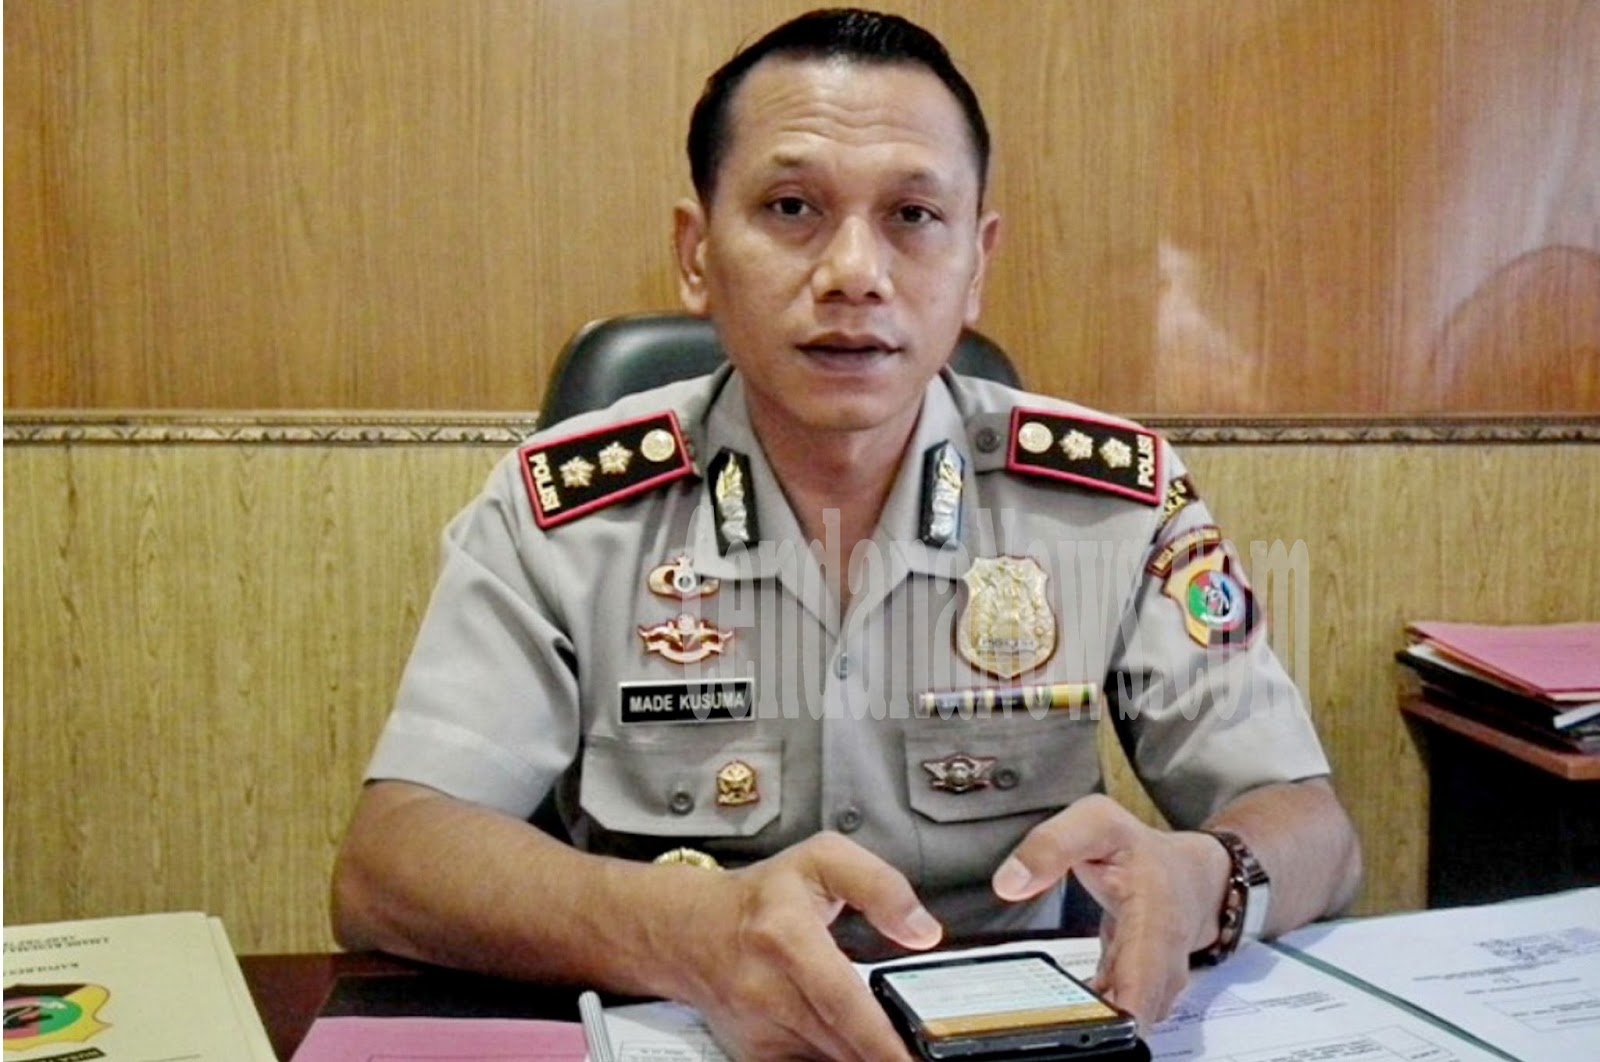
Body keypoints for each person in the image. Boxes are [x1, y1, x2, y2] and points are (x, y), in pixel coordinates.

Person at [332, 9, 1362, 1060]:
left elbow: (1309, 823)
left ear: (976, 263)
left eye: (914, 215)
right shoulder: (566, 509)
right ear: (697, 254)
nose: (854, 272)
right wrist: (690, 933)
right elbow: (392, 863)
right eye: (792, 208)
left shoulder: (1112, 500)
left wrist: (1206, 880)